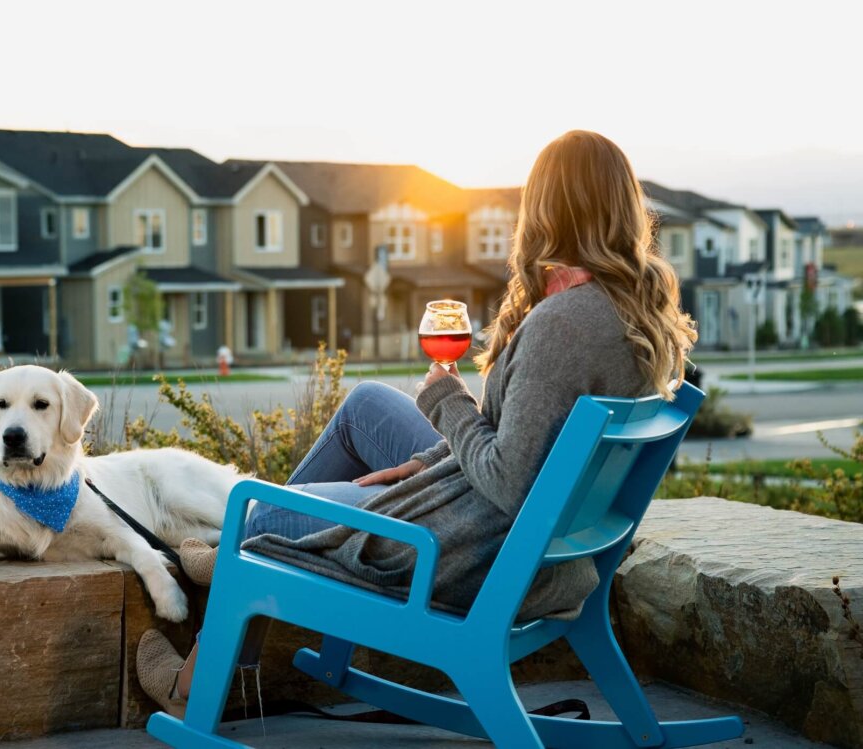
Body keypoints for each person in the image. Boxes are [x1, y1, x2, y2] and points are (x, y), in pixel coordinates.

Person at [135, 130, 697, 717]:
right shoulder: (629, 307)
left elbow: (510, 479)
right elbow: (529, 448)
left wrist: (448, 401)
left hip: (471, 547)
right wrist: (428, 460)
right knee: (366, 408)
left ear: (546, 207)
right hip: (506, 526)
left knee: (262, 512)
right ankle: (247, 556)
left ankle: (196, 678)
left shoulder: (564, 325)